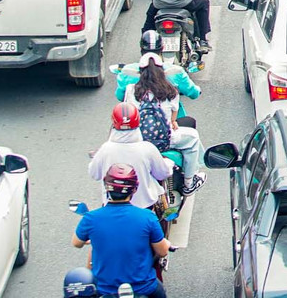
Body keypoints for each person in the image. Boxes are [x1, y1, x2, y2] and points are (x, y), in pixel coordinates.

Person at [72, 164, 170, 298]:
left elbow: (76, 243)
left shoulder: (91, 218)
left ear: (106, 187)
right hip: (143, 289)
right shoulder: (148, 217)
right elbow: (162, 251)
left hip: (104, 290)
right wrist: (167, 244)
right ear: (135, 189)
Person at [129, 54, 205, 195]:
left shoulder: (132, 90)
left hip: (138, 141)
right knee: (193, 138)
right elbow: (173, 117)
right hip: (166, 140)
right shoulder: (171, 91)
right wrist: (172, 122)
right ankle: (189, 182)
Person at [88, 104, 173, 211]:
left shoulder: (105, 149)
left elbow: (94, 174)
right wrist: (169, 164)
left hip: (111, 205)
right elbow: (162, 174)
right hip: (145, 206)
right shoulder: (148, 148)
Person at [115, 31, 201, 104]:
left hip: (135, 121)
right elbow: (193, 93)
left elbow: (120, 96)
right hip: (169, 120)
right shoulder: (176, 71)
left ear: (141, 48)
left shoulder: (127, 71)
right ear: (162, 48)